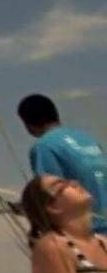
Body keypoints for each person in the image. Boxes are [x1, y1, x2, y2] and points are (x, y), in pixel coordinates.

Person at [19, 93, 107, 231]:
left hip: (90, 233)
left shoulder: (44, 147)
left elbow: (49, 195)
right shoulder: (88, 139)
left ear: (27, 123)